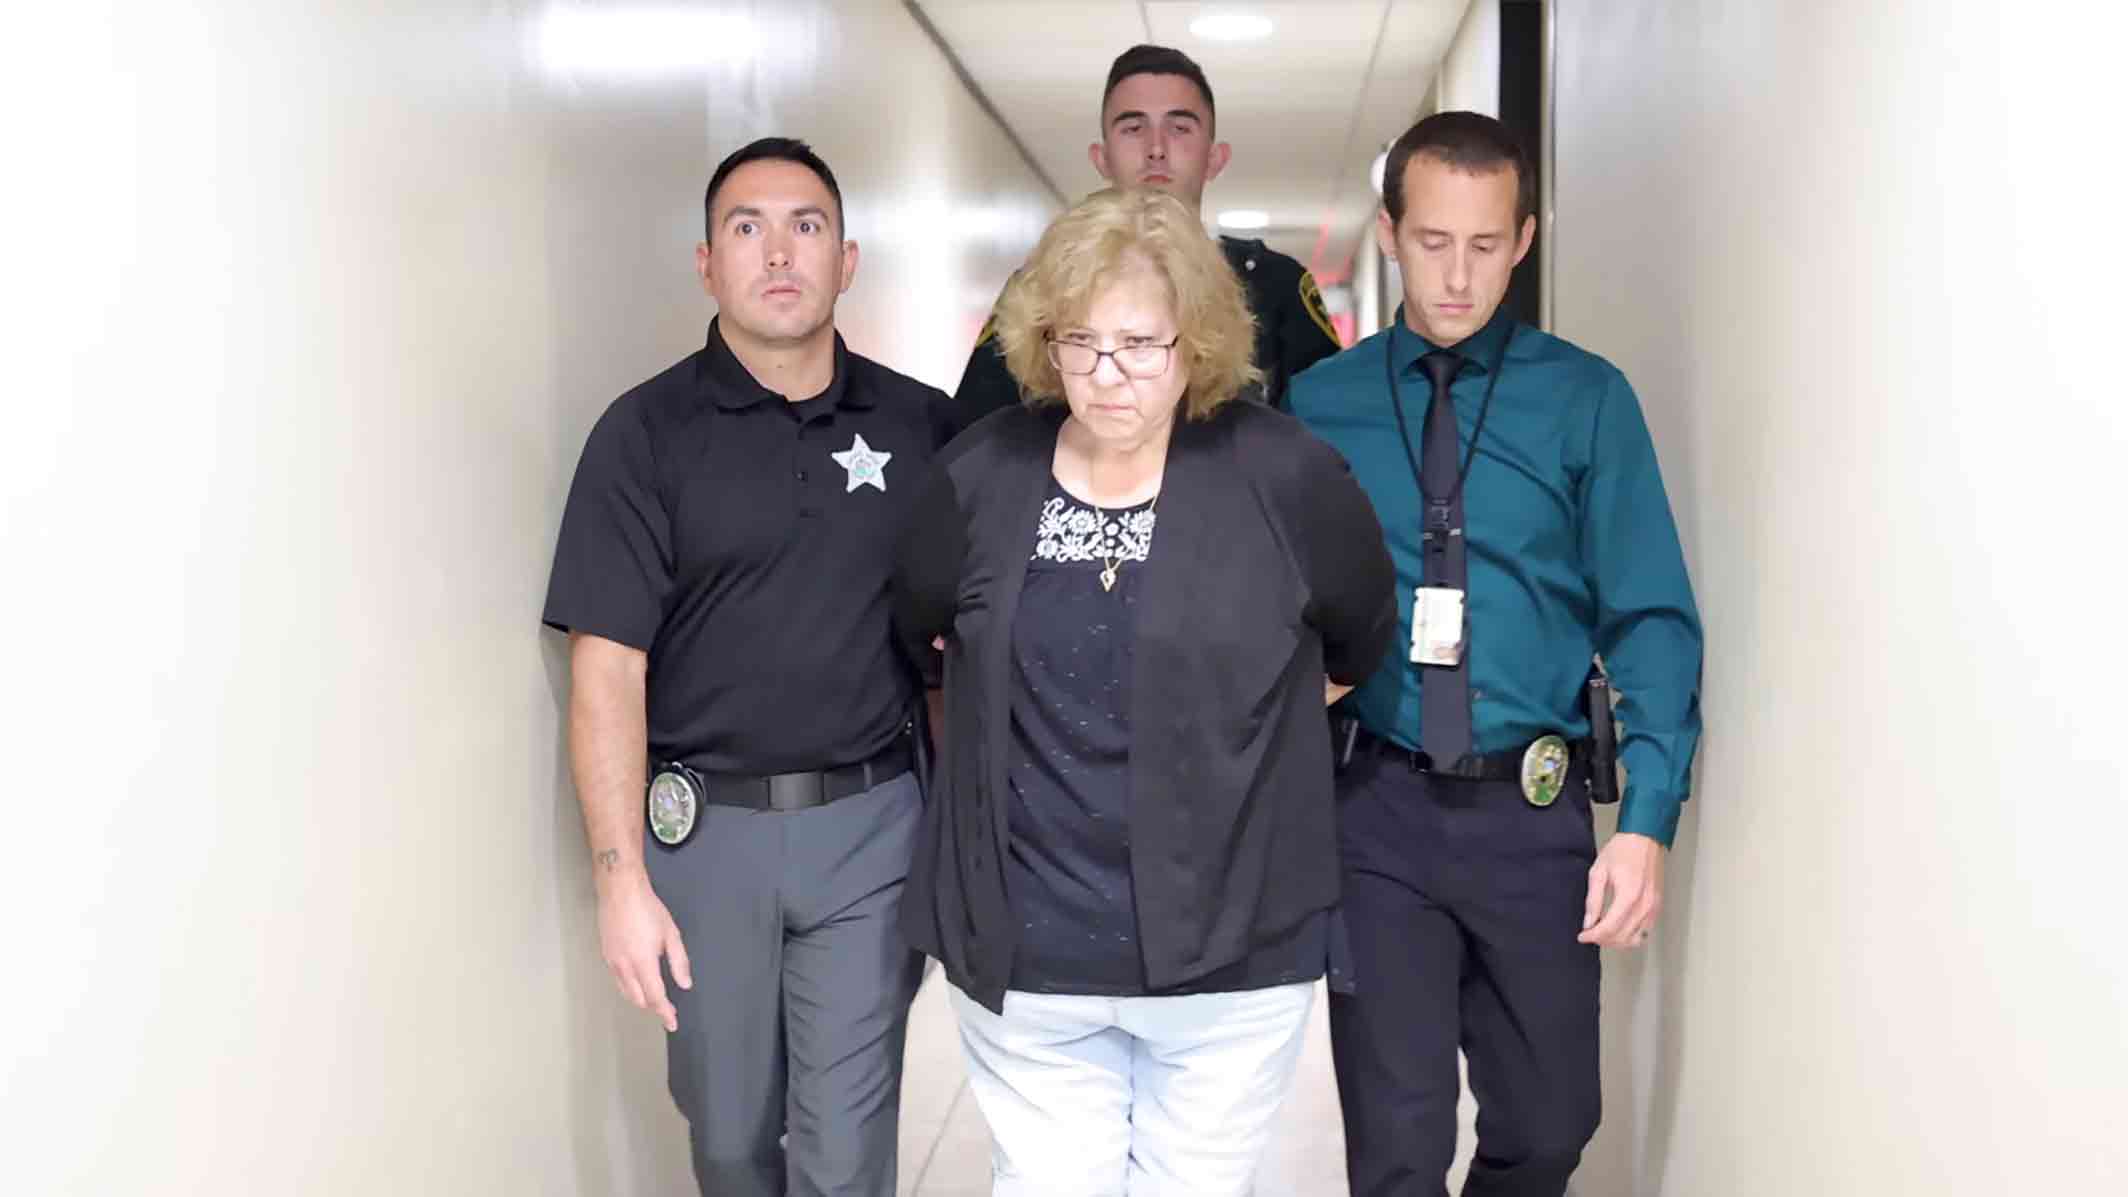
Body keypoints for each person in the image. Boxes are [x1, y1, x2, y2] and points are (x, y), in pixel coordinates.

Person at [893, 186, 1396, 1196]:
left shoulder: (1286, 475)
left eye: (1140, 344)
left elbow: (1358, 636)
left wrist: (1248, 725)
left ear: (1195, 340)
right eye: (1080, 343)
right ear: (1044, 342)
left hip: (1233, 944)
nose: (1108, 374)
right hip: (1026, 947)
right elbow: (925, 632)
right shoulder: (981, 476)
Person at [1287, 111, 1705, 1196]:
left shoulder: (1585, 399)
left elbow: (1651, 616)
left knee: (1551, 1123)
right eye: (1433, 242)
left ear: (1523, 239)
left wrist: (1646, 821)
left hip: (1532, 812)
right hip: (1373, 811)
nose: (1459, 276)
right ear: (1390, 233)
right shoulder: (1319, 406)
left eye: (1485, 245)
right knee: (1397, 1146)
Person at [542, 137, 938, 1197]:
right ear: (706, 263)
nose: (778, 253)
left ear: (846, 260)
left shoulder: (920, 428)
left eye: (806, 226)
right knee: (728, 1142)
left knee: (846, 1153)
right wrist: (620, 881)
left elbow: (964, 643)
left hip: (872, 829)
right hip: (704, 835)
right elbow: (606, 673)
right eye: (746, 228)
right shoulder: (643, 435)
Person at [940, 43, 1342, 436]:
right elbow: (976, 438)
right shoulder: (1041, 287)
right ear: (1101, 158)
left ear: (1215, 158)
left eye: (1179, 128)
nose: (1156, 149)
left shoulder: (1276, 286)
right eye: (1133, 129)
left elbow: (1327, 441)